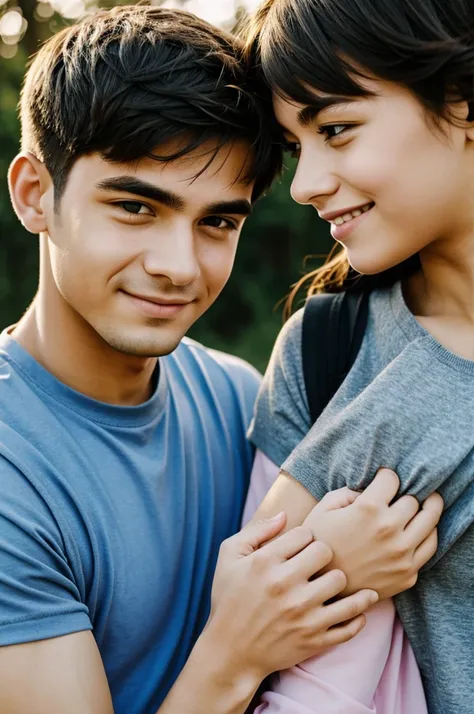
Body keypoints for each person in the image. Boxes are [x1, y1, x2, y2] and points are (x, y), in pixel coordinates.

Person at [1, 5, 442, 714]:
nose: (179, 266)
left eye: (218, 222)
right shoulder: (11, 471)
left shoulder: (240, 400)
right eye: (136, 208)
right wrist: (238, 648)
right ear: (34, 195)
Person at [241, 1, 474, 713]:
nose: (306, 183)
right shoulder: (328, 351)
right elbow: (255, 632)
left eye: (336, 130)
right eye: (295, 147)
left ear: (463, 103)